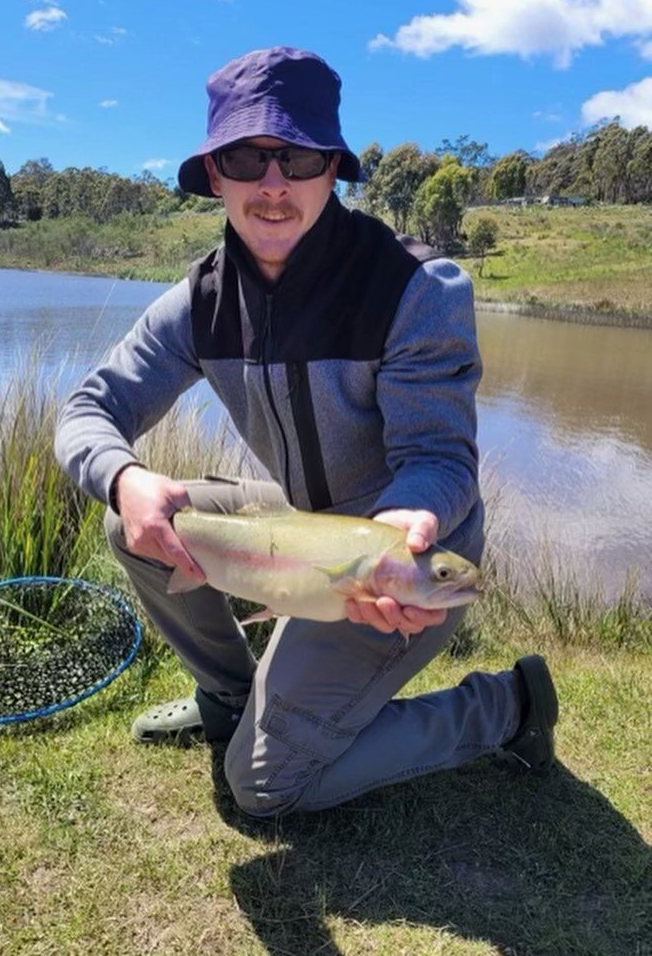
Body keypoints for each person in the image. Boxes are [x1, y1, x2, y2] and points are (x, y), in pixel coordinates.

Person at [55, 46, 558, 817]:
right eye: (246, 157)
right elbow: (89, 410)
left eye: (297, 156)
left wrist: (401, 534)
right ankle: (232, 695)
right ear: (214, 174)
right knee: (135, 529)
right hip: (296, 527)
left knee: (263, 787)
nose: (273, 183)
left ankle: (506, 707)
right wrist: (124, 478)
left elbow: (439, 458)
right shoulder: (198, 303)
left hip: (410, 562)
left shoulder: (415, 289)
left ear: (333, 169)